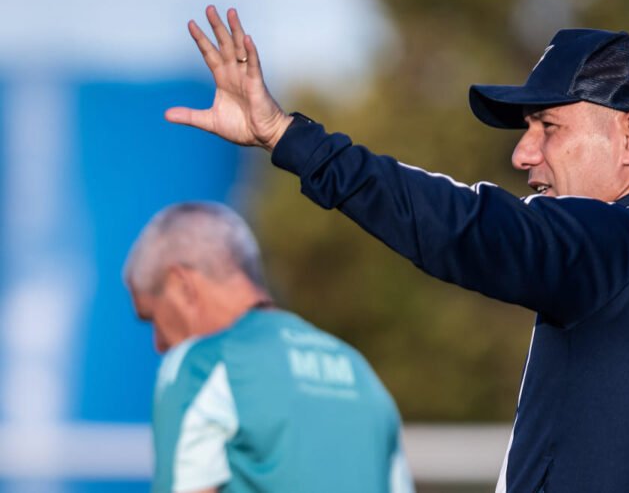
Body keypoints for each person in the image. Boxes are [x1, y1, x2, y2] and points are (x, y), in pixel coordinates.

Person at [166, 6, 629, 492]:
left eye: (548, 126)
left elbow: (463, 224)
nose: (523, 153)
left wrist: (288, 138)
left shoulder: (619, 242)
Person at [123, 202, 414, 493]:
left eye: (152, 319)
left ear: (183, 286)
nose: (158, 345)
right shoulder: (360, 372)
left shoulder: (201, 365)